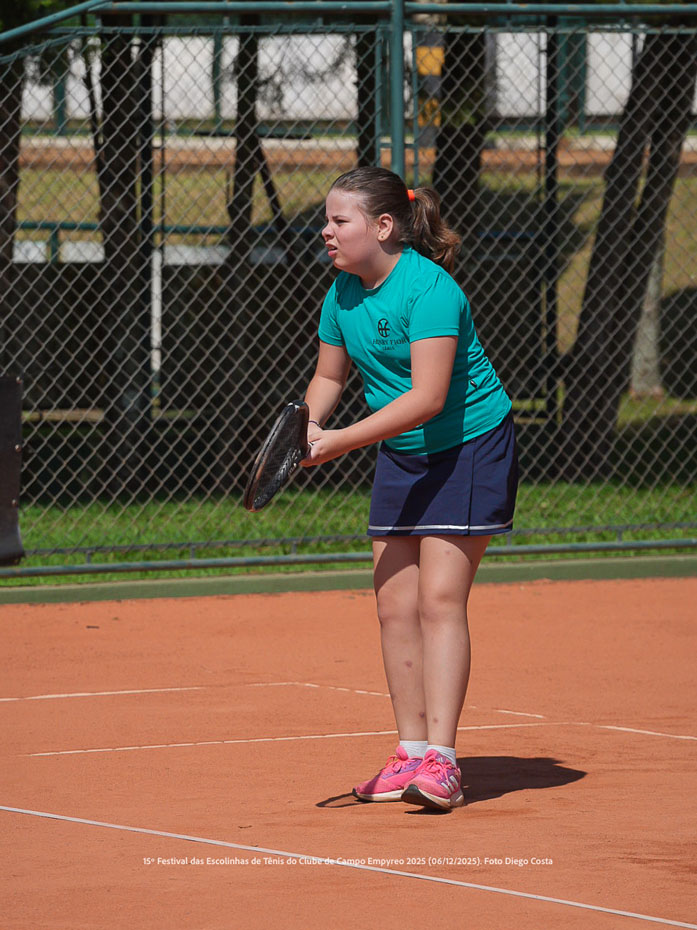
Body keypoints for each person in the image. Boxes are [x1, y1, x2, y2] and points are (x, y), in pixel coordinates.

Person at [301, 166, 518, 811]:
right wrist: (308, 424)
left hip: (467, 446)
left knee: (439, 600)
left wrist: (338, 441)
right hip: (403, 451)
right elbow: (329, 377)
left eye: (339, 220)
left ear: (383, 226)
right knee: (394, 605)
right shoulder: (342, 292)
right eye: (327, 220)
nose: (326, 231)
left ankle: (443, 763)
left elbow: (427, 399)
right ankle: (411, 753)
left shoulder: (430, 291)